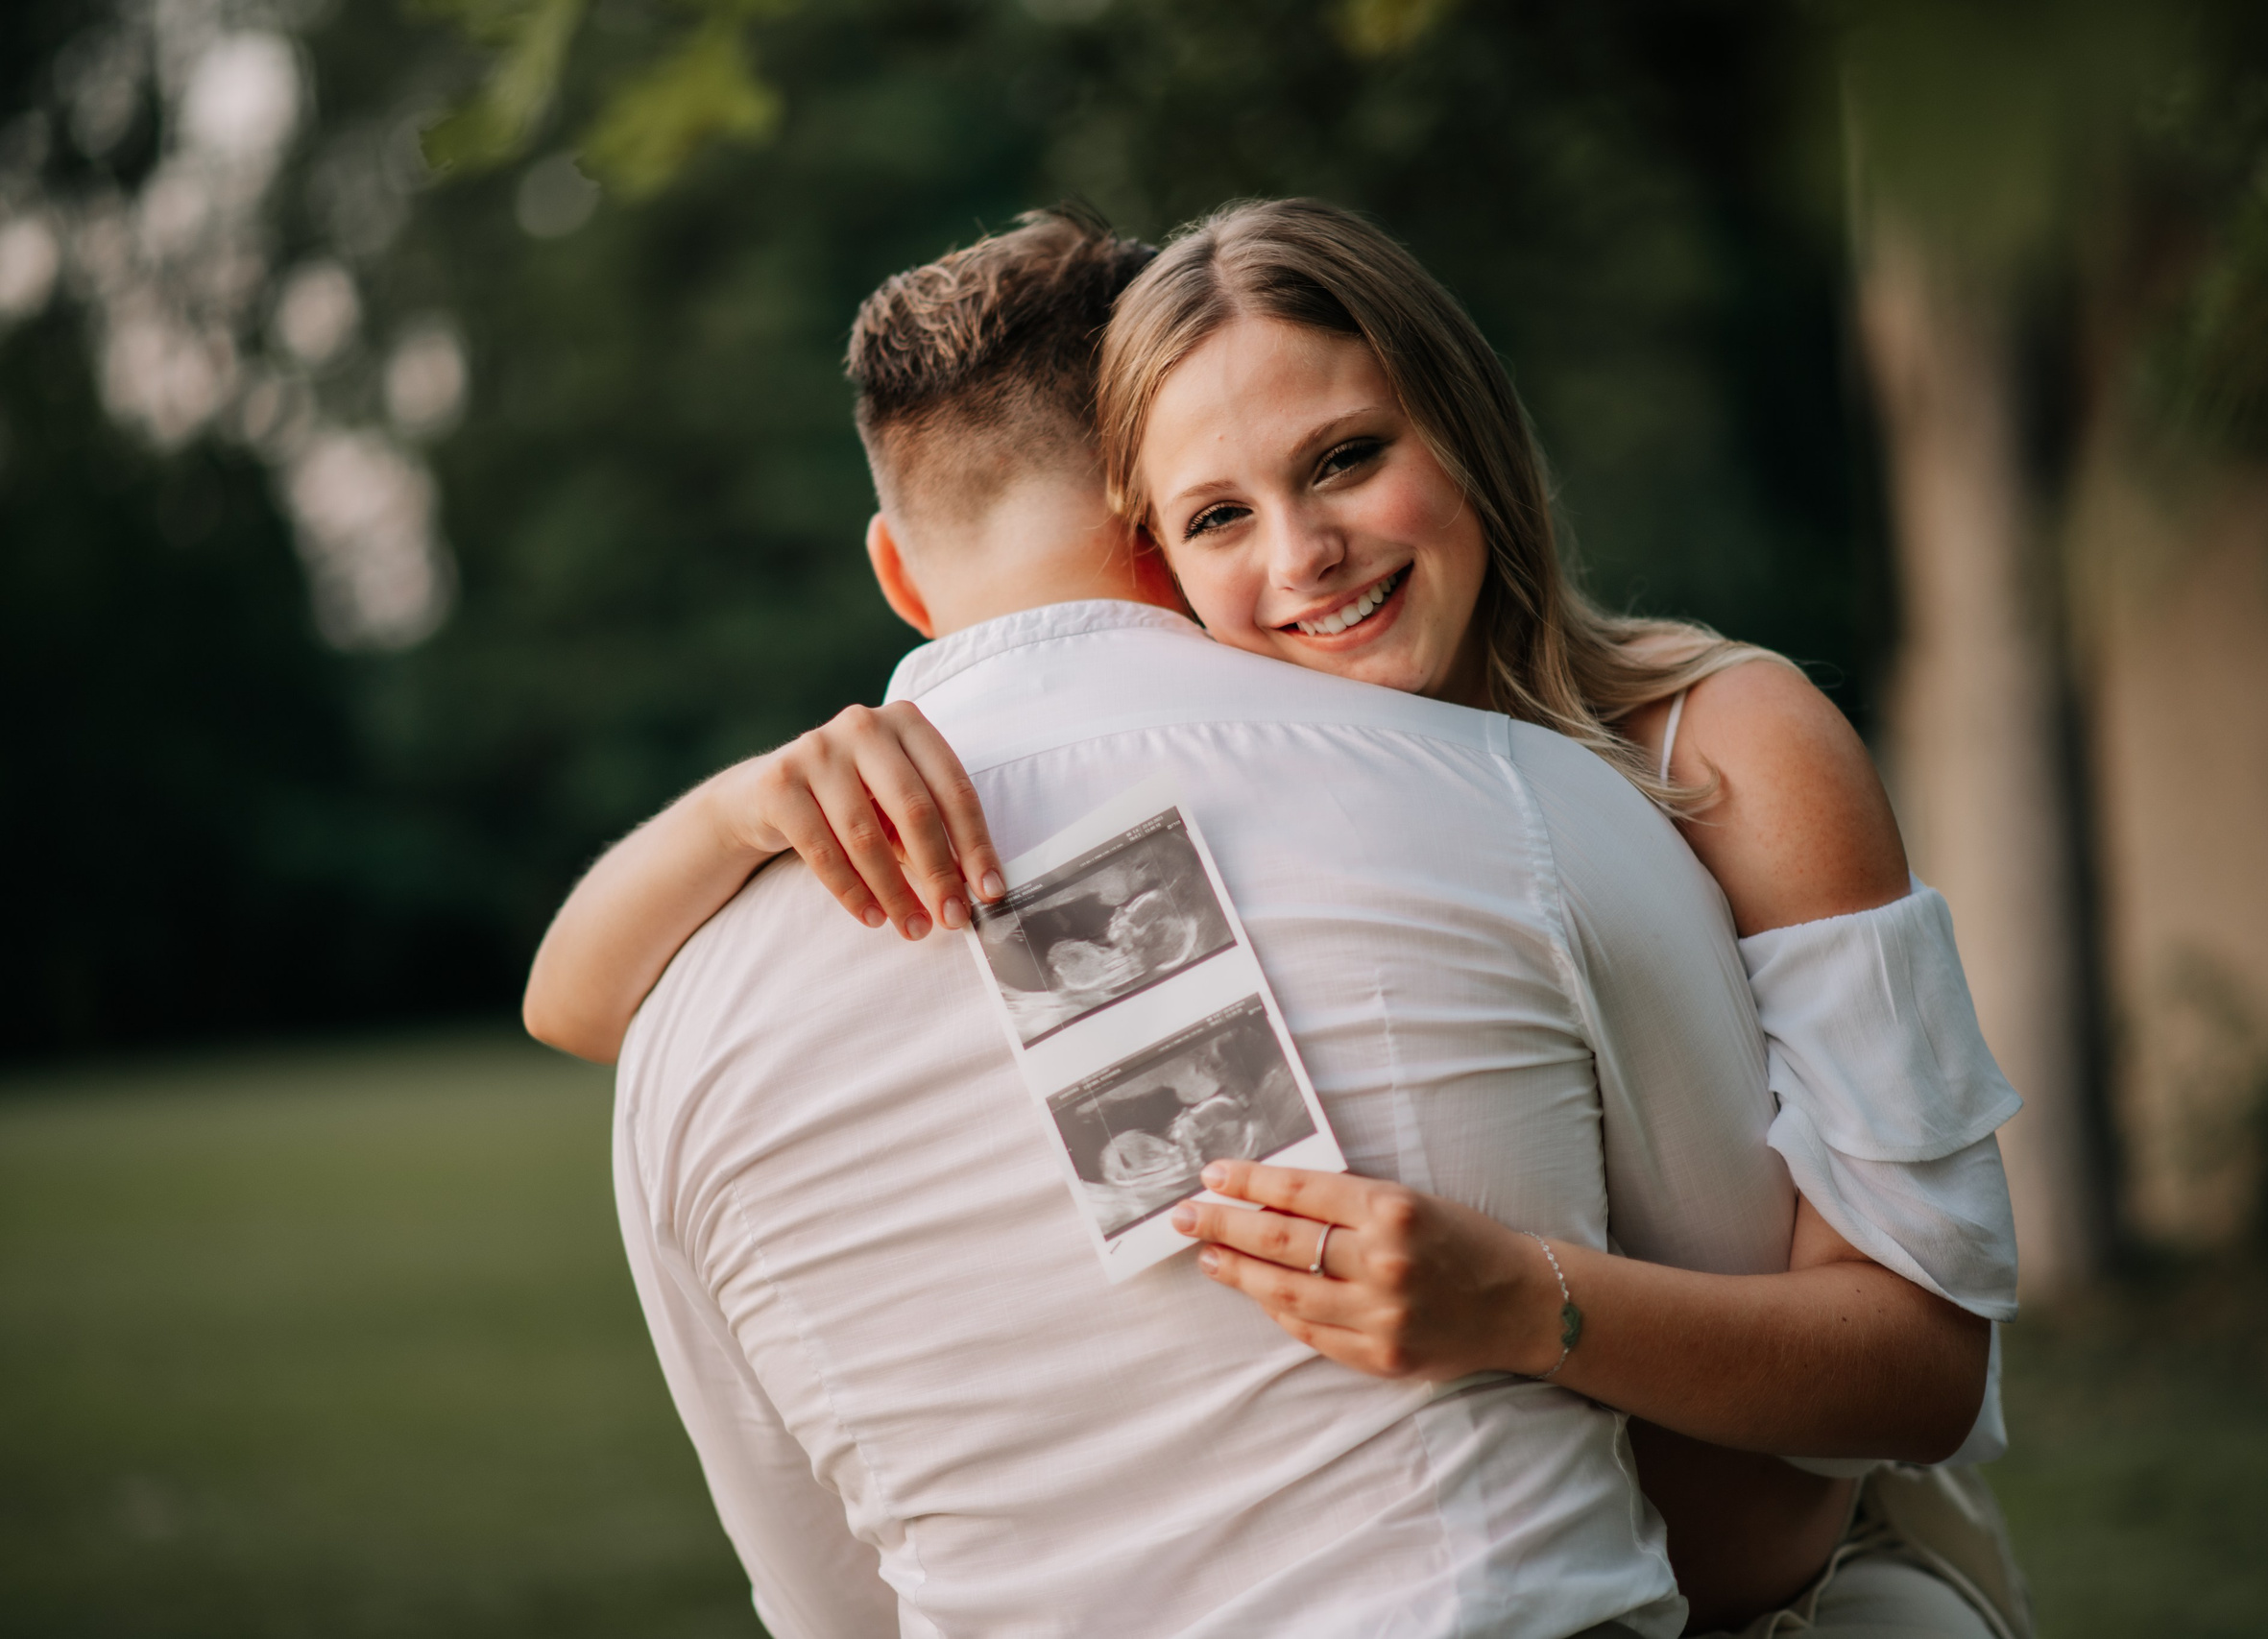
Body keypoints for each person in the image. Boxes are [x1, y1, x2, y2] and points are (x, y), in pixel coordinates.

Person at [533, 208, 2020, 1635]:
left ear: (1470, 433)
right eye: (1220, 515)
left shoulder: (1719, 750)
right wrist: (735, 807)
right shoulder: (1200, 834)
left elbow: (1917, 1368)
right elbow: (574, 1004)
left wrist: (1527, 1304)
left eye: (1350, 458)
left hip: (1808, 1585)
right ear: (1150, 563)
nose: (1303, 555)